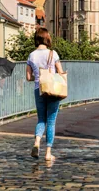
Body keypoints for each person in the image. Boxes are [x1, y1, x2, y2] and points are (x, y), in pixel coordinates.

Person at [26, 27, 65, 161]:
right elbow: (60, 72)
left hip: (39, 89)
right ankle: (48, 153)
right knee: (51, 121)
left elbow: (28, 76)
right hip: (53, 89)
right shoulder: (53, 54)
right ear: (46, 38)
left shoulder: (31, 55)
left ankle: (37, 142)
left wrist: (38, 77)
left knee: (41, 119)